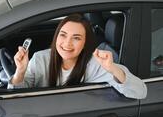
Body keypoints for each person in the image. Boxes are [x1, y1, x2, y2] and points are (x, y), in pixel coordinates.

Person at [8, 14, 147, 99]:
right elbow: (17, 98)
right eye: (63, 35)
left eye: (76, 38)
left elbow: (140, 91)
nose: (67, 43)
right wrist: (19, 72)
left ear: (85, 43)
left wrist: (112, 69)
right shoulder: (40, 58)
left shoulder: (94, 64)